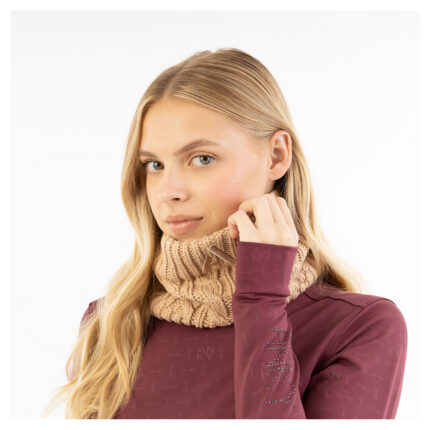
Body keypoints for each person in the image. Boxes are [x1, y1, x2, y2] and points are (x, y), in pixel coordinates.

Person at [42, 48, 407, 419]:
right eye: (154, 164)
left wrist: (261, 298)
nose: (168, 191)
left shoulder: (359, 327)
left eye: (202, 158)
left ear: (277, 156)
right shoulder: (111, 323)